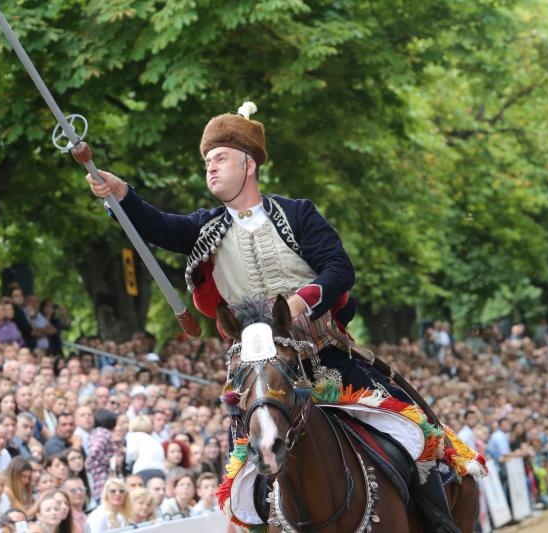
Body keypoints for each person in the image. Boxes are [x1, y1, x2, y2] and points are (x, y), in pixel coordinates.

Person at [85, 101, 458, 531]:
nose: (210, 168)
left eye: (220, 158)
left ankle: (438, 521)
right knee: (242, 476)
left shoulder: (298, 213)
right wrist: (122, 193)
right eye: (207, 161)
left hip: (322, 356)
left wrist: (301, 301)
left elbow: (339, 268)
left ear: (248, 165)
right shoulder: (205, 228)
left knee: (413, 427)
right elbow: (158, 225)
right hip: (255, 371)